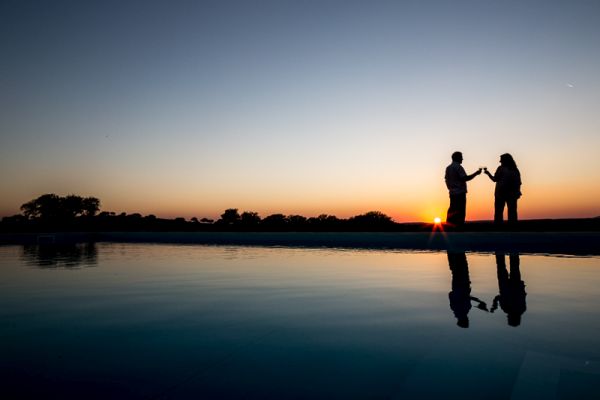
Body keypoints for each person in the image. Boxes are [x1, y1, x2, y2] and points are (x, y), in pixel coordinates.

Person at [445, 151, 482, 226]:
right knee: (460, 211)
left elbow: (446, 179)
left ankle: (449, 226)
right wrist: (476, 173)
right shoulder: (458, 167)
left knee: (452, 209)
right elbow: (465, 178)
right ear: (458, 158)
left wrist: (450, 188)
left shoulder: (448, 168)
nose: (462, 159)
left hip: (452, 193)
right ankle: (459, 227)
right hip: (460, 193)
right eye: (461, 157)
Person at [490, 252, 527, 327]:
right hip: (507, 286)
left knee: (514, 266)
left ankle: (512, 251)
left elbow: (523, 294)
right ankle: (502, 251)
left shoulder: (522, 309)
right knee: (502, 265)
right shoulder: (506, 309)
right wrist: (494, 305)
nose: (507, 317)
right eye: (508, 318)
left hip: (514, 285)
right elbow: (499, 297)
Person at [484, 153, 522, 224]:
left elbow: (494, 179)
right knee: (512, 212)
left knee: (498, 212)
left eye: (501, 160)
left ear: (505, 161)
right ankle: (512, 228)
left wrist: (488, 173)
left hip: (500, 194)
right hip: (512, 194)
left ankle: (499, 228)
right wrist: (518, 192)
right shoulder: (515, 170)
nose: (500, 162)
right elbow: (519, 182)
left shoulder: (501, 168)